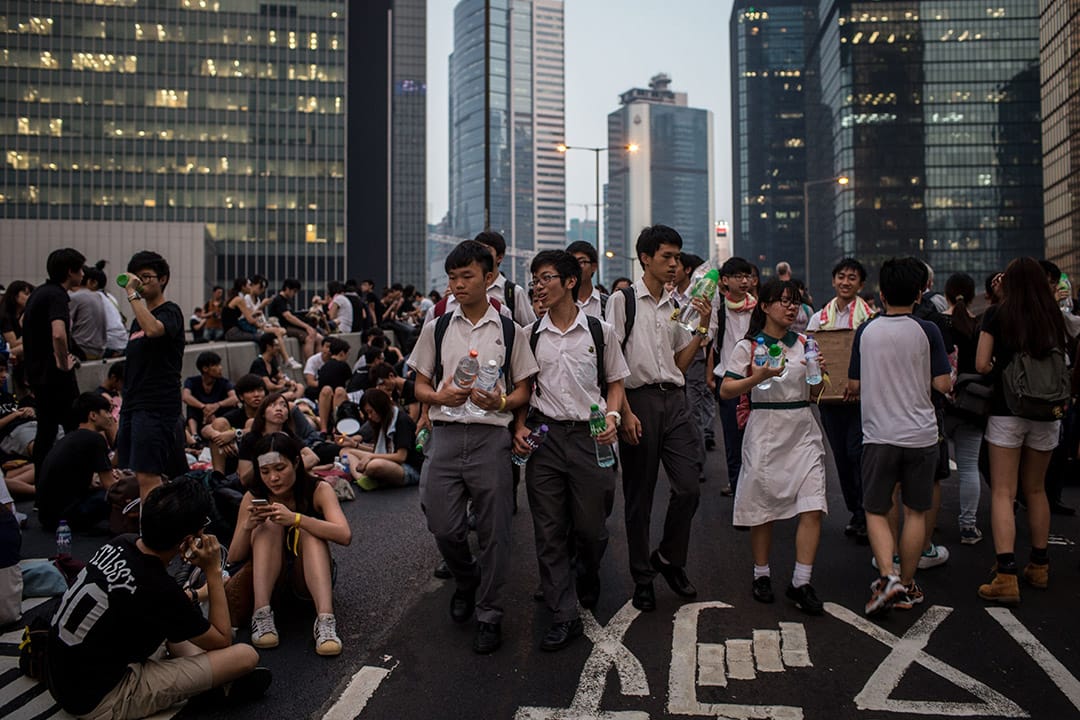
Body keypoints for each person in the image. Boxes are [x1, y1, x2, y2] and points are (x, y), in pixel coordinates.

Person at [46, 478, 270, 719]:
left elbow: (157, 604)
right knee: (245, 656)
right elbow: (222, 638)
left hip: (63, 677)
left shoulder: (121, 543)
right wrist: (213, 572)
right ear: (187, 540)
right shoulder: (157, 586)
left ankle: (210, 680)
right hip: (101, 699)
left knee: (178, 634)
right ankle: (209, 687)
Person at [408, 239, 538, 654]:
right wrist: (436, 399)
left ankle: (490, 613)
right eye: (452, 277)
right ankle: (466, 579)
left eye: (466, 276)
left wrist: (501, 403)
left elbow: (523, 389)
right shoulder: (438, 325)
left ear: (488, 277)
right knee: (441, 521)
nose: (458, 285)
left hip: (490, 438)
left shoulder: (509, 329)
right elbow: (419, 383)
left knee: (495, 530)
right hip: (446, 435)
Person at [518, 250, 629, 650]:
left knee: (591, 528)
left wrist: (613, 419)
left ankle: (587, 570)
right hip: (545, 438)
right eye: (534, 279)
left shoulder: (600, 331)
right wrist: (519, 427)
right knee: (549, 529)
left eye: (546, 277)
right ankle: (563, 612)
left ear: (569, 281)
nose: (538, 286)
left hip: (590, 437)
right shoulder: (528, 335)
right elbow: (521, 392)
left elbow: (616, 382)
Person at [605, 225, 711, 613]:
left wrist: (701, 326)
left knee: (689, 488)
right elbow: (610, 362)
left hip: (676, 401)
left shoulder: (675, 305)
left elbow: (680, 362)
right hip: (639, 401)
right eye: (666, 256)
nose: (674, 264)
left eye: (678, 257)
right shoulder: (623, 300)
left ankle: (668, 558)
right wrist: (626, 412)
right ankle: (642, 578)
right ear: (645, 258)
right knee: (639, 497)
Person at [849, 258, 952, 617]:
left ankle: (887, 576)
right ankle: (907, 586)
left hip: (879, 434)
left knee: (876, 509)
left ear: (880, 292)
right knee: (916, 511)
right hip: (922, 435)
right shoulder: (928, 330)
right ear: (921, 291)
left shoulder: (866, 331)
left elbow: (854, 385)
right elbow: (942, 383)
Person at [720, 279, 828, 615]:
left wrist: (820, 376)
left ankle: (801, 581)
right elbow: (726, 389)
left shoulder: (805, 344)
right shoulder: (748, 347)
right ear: (764, 306)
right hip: (765, 429)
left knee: (813, 504)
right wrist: (757, 376)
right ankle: (761, 573)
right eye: (782, 301)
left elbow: (815, 394)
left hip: (802, 429)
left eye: (795, 301)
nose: (791, 307)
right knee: (762, 507)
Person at [975, 257, 1067, 605]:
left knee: (1003, 491)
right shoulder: (1053, 316)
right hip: (1048, 411)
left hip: (1008, 410)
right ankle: (1040, 565)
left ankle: (1006, 574)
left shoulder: (998, 314)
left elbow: (982, 364)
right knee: (1036, 489)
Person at [228, 432, 351, 656]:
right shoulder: (253, 495)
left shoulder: (318, 489)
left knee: (309, 530)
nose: (273, 478)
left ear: (296, 462)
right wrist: (248, 526)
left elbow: (344, 535)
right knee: (268, 525)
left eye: (280, 469)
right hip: (269, 584)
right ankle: (261, 613)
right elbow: (234, 557)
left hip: (307, 581)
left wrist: (296, 518)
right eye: (265, 472)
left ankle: (325, 620)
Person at [807, 258, 875, 542]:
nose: (846, 282)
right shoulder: (818, 319)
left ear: (861, 284)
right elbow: (809, 355)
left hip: (862, 401)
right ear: (834, 281)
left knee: (857, 454)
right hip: (830, 400)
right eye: (841, 277)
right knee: (841, 459)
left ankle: (866, 513)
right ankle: (856, 512)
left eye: (852, 278)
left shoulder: (871, 319)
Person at [117, 250, 186, 500]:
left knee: (149, 476)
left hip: (156, 404)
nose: (140, 282)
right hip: (134, 403)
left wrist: (132, 293)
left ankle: (152, 536)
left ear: (163, 279)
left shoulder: (171, 311)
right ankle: (153, 528)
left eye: (146, 277)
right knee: (138, 473)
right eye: (136, 277)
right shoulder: (137, 321)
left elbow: (155, 330)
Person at [24, 248, 84, 479]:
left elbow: (23, 321)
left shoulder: (39, 292)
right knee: (73, 428)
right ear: (71, 271)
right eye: (79, 269)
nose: (82, 274)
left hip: (38, 375)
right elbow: (58, 333)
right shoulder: (58, 295)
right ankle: (74, 480)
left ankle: (43, 487)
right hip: (55, 376)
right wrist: (62, 363)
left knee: (46, 432)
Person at [935, 273, 984, 544]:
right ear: (972, 294)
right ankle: (968, 527)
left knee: (933, 470)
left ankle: (928, 523)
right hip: (971, 405)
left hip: (941, 404)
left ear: (947, 293)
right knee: (968, 468)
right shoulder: (978, 325)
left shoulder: (937, 323)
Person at [707, 256, 757, 495]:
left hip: (756, 381)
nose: (744, 281)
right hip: (729, 382)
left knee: (756, 439)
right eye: (738, 276)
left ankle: (755, 489)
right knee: (733, 440)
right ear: (725, 280)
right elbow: (709, 342)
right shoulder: (718, 308)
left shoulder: (759, 307)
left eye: (747, 276)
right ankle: (739, 492)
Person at [36, 393, 116, 532]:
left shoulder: (71, 437)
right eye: (107, 411)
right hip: (66, 518)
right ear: (93, 415)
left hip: (47, 516)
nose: (111, 416)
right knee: (121, 494)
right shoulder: (94, 439)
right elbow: (111, 486)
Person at [672, 252, 714, 483]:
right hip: (671, 357)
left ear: (687, 269)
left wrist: (701, 333)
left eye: (675, 264)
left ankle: (696, 463)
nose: (671, 269)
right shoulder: (668, 296)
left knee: (692, 409)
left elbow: (710, 330)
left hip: (694, 355)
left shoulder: (701, 292)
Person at [340, 388, 423, 489]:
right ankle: (362, 478)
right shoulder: (382, 421)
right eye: (367, 414)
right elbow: (379, 450)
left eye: (371, 412)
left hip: (408, 467)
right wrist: (355, 445)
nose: (370, 416)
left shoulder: (401, 420)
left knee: (374, 465)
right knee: (345, 451)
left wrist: (371, 457)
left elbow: (401, 457)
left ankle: (369, 477)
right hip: (390, 461)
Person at [472, 230, 538, 327]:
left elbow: (530, 329)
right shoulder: (468, 289)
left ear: (499, 257)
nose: (481, 255)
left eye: (487, 250)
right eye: (478, 250)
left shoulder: (514, 292)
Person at [183, 351, 239, 438]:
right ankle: (194, 435)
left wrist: (217, 405)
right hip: (201, 416)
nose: (220, 368)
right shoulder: (192, 381)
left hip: (219, 415)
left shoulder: (224, 382)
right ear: (205, 368)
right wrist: (203, 407)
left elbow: (234, 398)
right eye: (216, 365)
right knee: (192, 406)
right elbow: (185, 397)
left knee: (231, 407)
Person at [267, 279, 320, 361]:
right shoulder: (279, 300)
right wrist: (306, 327)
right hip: (284, 327)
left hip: (291, 326)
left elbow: (293, 315)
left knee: (319, 338)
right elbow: (288, 316)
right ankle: (310, 366)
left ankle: (319, 365)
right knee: (310, 337)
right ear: (287, 288)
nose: (294, 294)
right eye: (294, 291)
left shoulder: (287, 301)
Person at [87, 264, 128, 358]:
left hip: (110, 345)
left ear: (93, 283)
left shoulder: (92, 298)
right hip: (122, 342)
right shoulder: (109, 297)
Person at [69, 268, 107, 361]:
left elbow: (65, 325)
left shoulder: (75, 297)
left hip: (82, 349)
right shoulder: (97, 296)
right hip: (99, 350)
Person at [250, 333, 302, 399]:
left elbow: (280, 376)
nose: (279, 348)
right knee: (290, 394)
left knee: (299, 387)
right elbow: (268, 386)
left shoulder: (271, 361)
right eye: (276, 345)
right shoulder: (259, 363)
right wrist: (281, 385)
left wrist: (289, 382)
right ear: (268, 347)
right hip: (264, 397)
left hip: (274, 393)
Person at [566, 241, 607, 318]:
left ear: (594, 266)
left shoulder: (606, 303)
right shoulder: (560, 304)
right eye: (572, 263)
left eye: (581, 262)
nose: (576, 267)